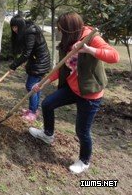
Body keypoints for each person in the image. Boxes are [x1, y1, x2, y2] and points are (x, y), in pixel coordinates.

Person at [28, 12, 119, 174]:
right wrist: (42, 84)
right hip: (72, 88)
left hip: (89, 93)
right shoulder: (67, 41)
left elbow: (114, 56)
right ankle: (48, 135)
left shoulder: (91, 37)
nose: (59, 32)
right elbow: (61, 68)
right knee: (47, 104)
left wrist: (88, 49)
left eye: (61, 29)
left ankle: (84, 161)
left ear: (70, 29)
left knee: (82, 131)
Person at [8, 15, 51, 122]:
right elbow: (29, 52)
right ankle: (34, 110)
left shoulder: (29, 32)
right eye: (13, 27)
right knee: (36, 87)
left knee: (31, 86)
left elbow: (27, 53)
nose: (14, 30)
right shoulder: (27, 30)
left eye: (16, 27)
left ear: (21, 26)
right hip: (37, 61)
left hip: (40, 62)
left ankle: (32, 112)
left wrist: (14, 65)